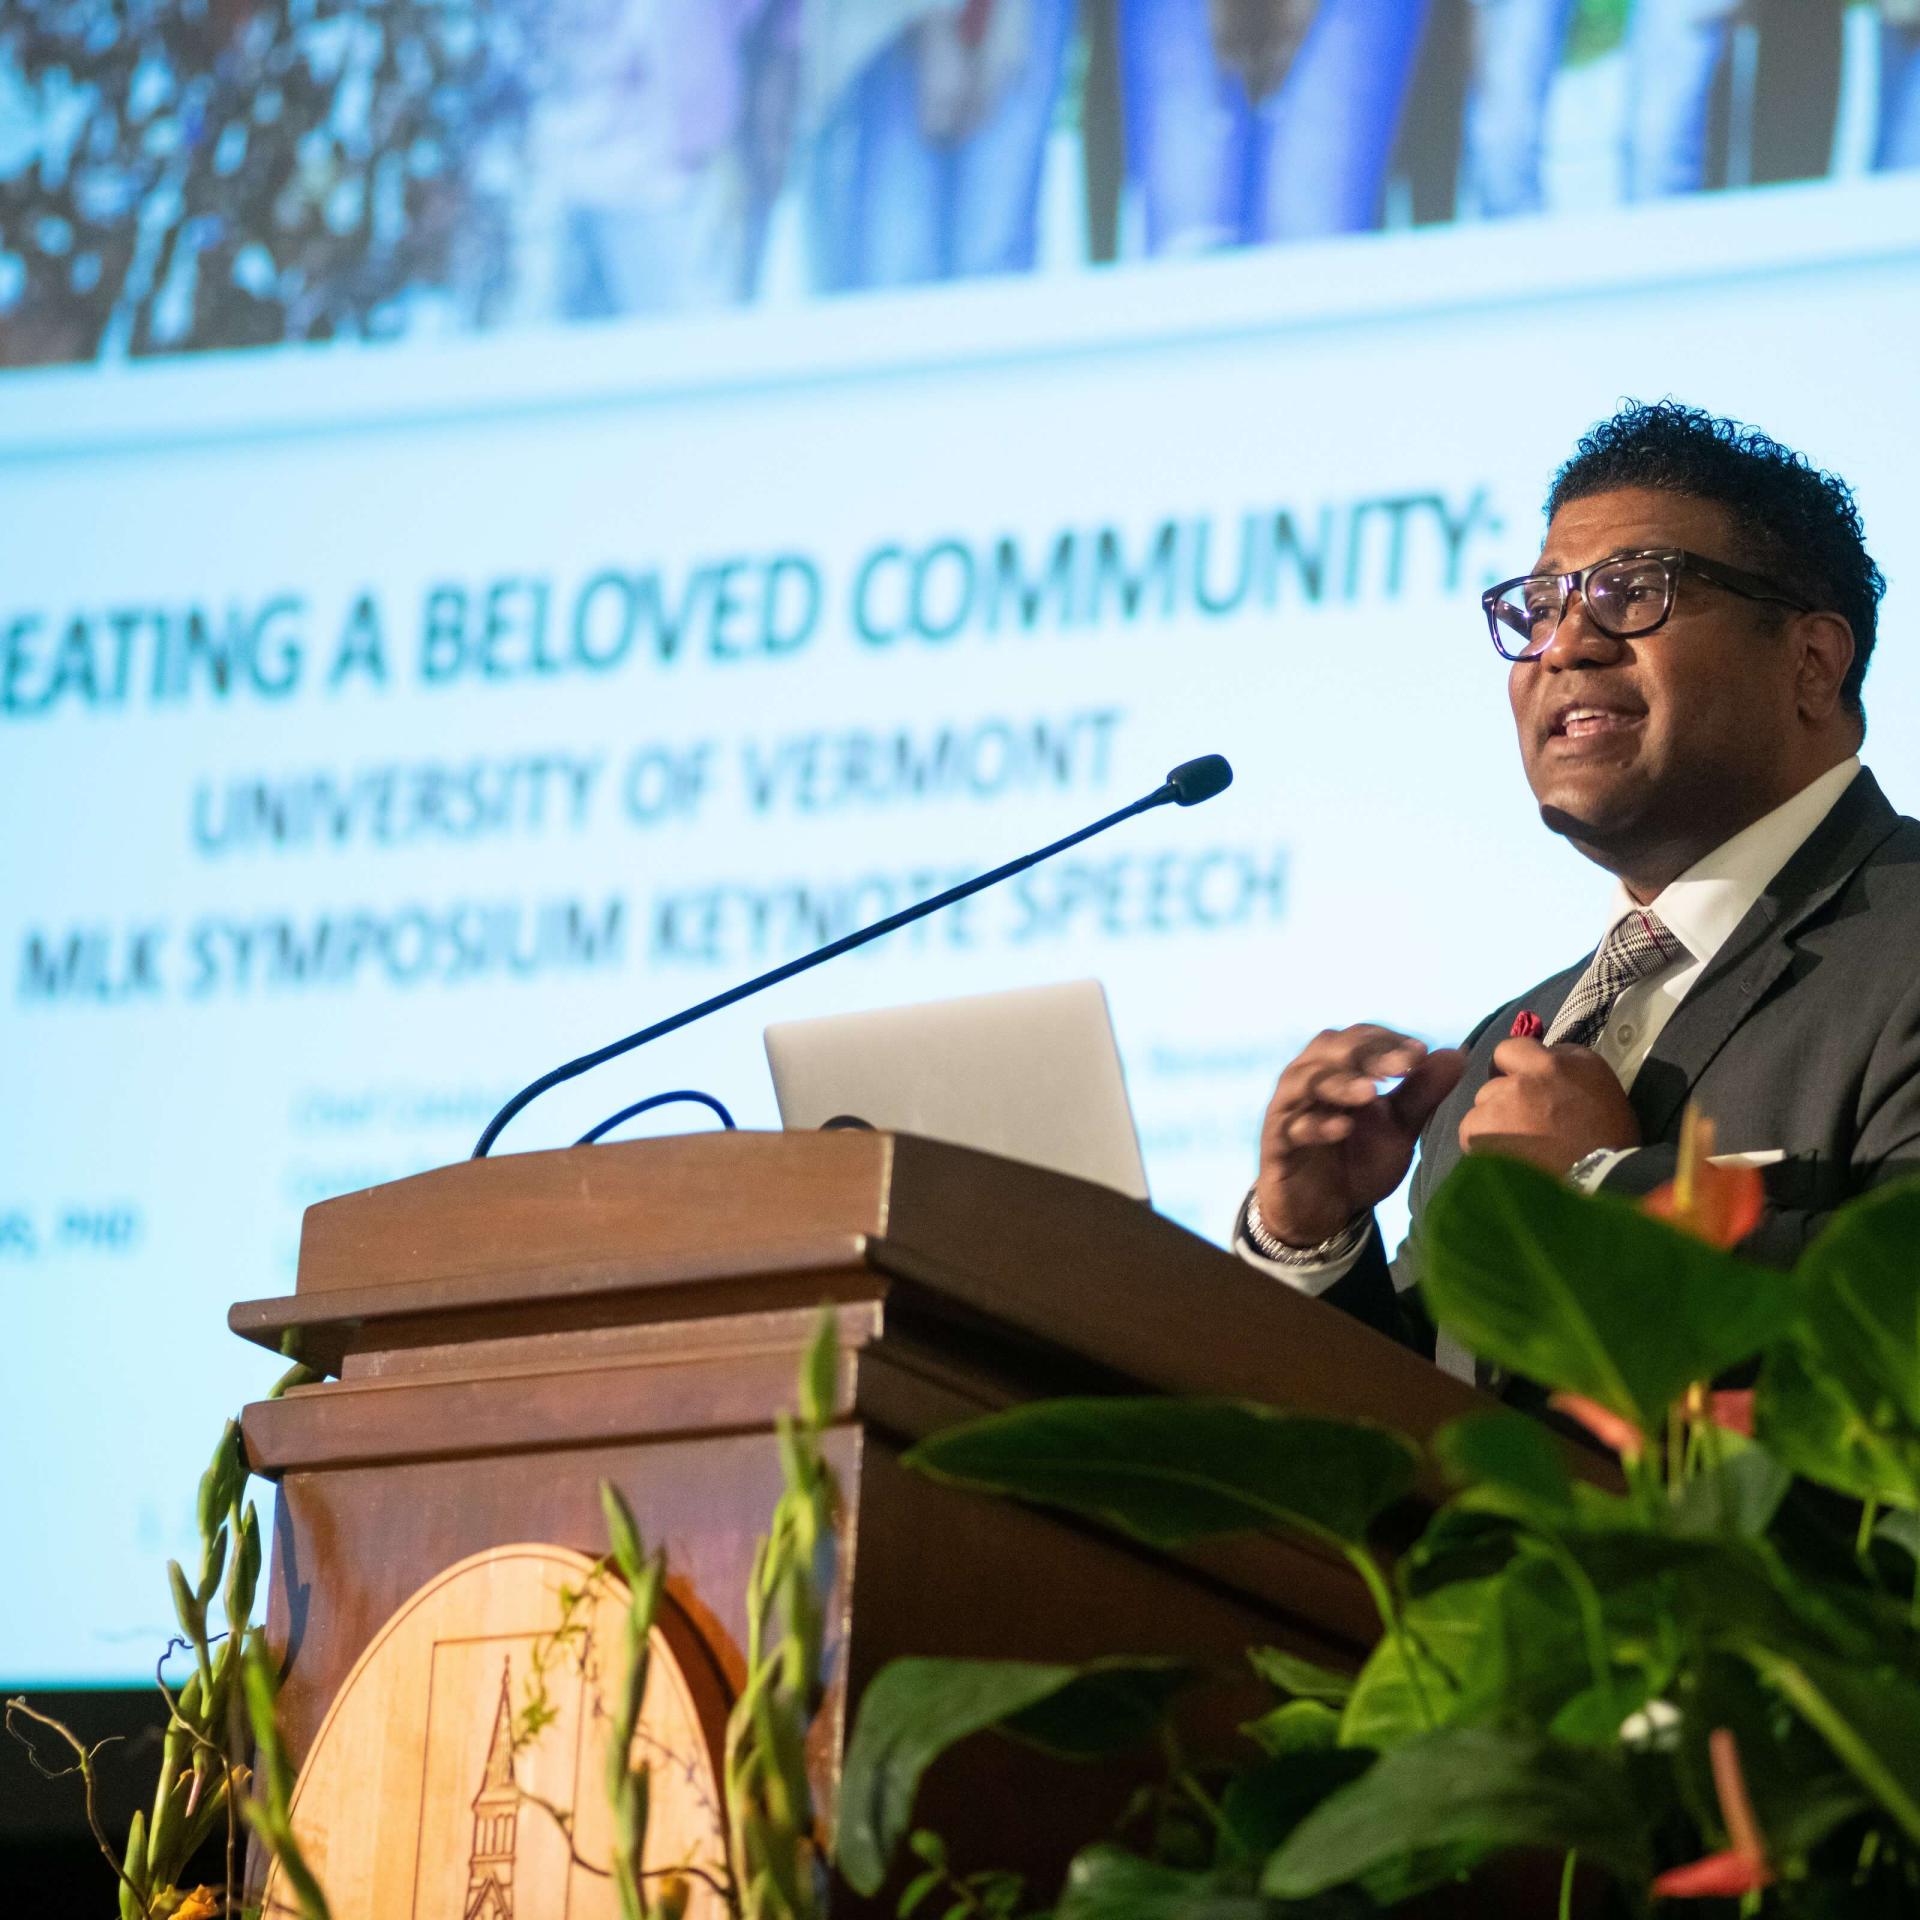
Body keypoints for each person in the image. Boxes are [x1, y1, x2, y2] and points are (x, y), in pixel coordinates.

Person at [1237, 400, 1920, 1379]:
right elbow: (1437, 1425)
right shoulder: (1502, 1051)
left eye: (1633, 592)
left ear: (1810, 663)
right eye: (1541, 607)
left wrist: (1611, 1198)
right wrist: (1311, 1241)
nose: (1565, 646)